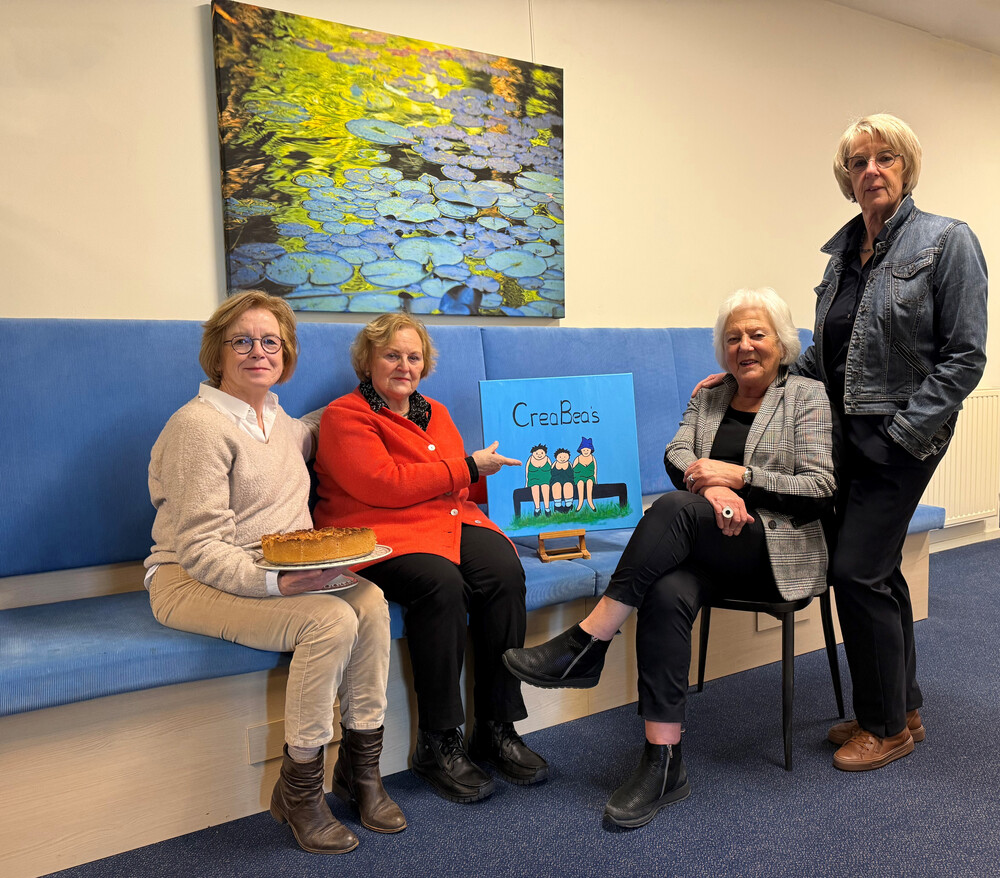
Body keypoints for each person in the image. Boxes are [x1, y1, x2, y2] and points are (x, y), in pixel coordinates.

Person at [698, 114, 988, 771]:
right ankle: (900, 705)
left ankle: (886, 730)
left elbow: (965, 357)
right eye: (859, 162)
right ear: (847, 178)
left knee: (855, 570)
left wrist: (902, 434)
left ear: (906, 166)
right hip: (840, 438)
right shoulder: (840, 259)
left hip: (903, 437)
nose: (871, 171)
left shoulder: (948, 241)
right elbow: (821, 361)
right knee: (878, 570)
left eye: (885, 158)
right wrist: (749, 377)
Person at [504, 288, 835, 827]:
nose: (745, 346)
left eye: (757, 335)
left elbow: (820, 488)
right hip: (708, 543)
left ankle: (587, 642)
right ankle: (664, 762)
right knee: (664, 587)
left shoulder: (805, 396)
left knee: (674, 507)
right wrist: (712, 489)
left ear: (781, 342)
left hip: (773, 550)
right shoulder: (711, 395)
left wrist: (738, 478)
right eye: (733, 337)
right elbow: (676, 452)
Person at [145, 291, 403, 856]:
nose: (258, 352)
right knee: (329, 621)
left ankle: (361, 772)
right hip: (189, 580)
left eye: (271, 341)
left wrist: (379, 394)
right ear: (218, 353)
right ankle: (300, 790)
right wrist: (279, 584)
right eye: (242, 341)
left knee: (370, 602)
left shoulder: (279, 421)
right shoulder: (198, 427)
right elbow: (199, 549)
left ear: (285, 354)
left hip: (270, 571)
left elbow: (315, 427)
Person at [313, 313, 549, 804]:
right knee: (440, 583)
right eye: (392, 355)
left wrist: (516, 478)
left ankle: (497, 727)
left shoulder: (435, 411)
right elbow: (382, 484)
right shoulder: (344, 415)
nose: (404, 366)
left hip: (445, 521)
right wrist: (468, 467)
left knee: (504, 570)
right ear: (367, 361)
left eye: (413, 357)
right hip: (376, 533)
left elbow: (456, 484)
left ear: (425, 365)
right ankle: (437, 741)